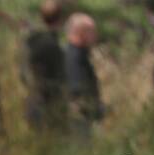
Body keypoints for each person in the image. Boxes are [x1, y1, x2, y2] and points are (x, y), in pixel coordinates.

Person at [25, 0, 68, 130]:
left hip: (32, 102)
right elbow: (60, 78)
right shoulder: (52, 46)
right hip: (49, 106)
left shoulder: (31, 42)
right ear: (60, 20)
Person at [64, 12, 104, 137]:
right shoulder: (74, 58)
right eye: (92, 32)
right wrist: (95, 109)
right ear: (81, 33)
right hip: (80, 121)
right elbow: (76, 91)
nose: (96, 36)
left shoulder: (80, 55)